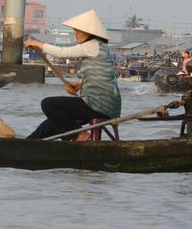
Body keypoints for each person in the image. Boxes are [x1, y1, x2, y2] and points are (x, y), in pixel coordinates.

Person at [25, 9, 121, 141]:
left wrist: (36, 43)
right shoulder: (101, 47)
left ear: (90, 32)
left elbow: (61, 52)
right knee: (53, 123)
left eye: (79, 30)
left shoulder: (92, 45)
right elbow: (104, 77)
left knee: (48, 104)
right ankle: (27, 144)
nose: (75, 33)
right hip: (105, 105)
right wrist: (79, 85)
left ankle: (78, 135)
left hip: (97, 106)